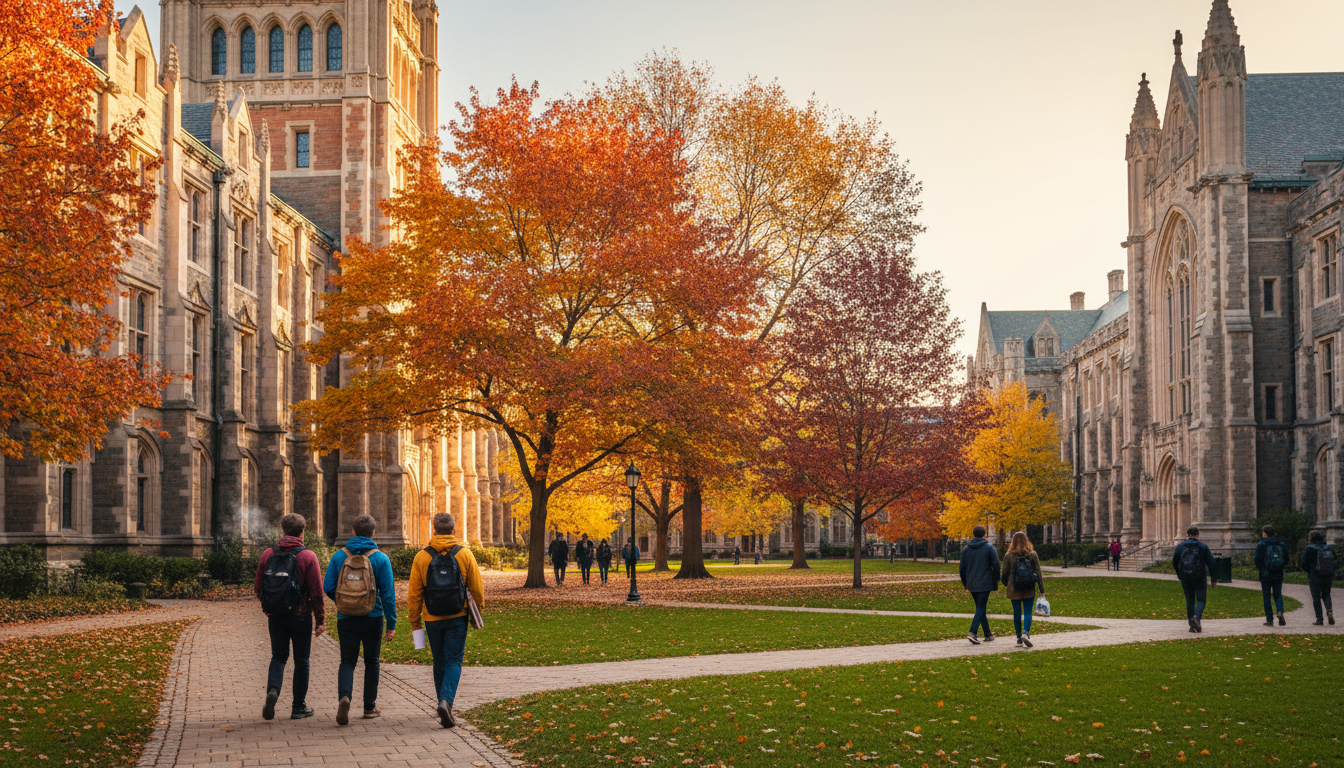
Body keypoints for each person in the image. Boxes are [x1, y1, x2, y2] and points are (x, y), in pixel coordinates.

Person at [407, 512, 485, 728]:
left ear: (433, 529)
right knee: (454, 660)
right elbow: (477, 589)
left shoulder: (421, 557)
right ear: (454, 530)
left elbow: (414, 594)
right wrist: (477, 613)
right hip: (457, 616)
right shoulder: (465, 554)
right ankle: (446, 701)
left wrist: (415, 622)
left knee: (439, 660)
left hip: (432, 618)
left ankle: (442, 701)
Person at [323, 514, 397, 725]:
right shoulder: (381, 558)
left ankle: (345, 697)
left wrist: (344, 602)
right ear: (373, 533)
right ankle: (369, 707)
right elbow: (388, 595)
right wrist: (391, 623)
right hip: (373, 616)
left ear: (353, 532)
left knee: (347, 661)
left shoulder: (339, 556)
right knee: (372, 662)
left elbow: (328, 586)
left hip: (346, 617)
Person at [254, 513, 325, 721]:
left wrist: (267, 607)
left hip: (275, 615)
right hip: (301, 616)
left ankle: (273, 690)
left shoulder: (268, 554)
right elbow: (316, 592)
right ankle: (298, 706)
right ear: (303, 532)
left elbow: (258, 587)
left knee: (278, 656)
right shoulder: (308, 556)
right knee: (302, 660)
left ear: (282, 530)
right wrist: (320, 620)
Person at [1000, 531, 1044, 648]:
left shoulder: (1009, 556)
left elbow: (1004, 573)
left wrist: (1006, 584)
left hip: (1014, 587)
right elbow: (1038, 572)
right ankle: (1026, 632)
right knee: (1028, 611)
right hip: (1029, 586)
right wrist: (1041, 588)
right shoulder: (1032, 554)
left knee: (1017, 612)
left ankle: (1019, 637)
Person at [958, 525, 1000, 644]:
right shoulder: (989, 548)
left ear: (973, 534)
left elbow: (962, 568)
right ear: (984, 534)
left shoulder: (966, 549)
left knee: (980, 608)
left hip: (972, 583)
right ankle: (973, 632)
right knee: (981, 608)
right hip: (985, 582)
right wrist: (995, 580)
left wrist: (965, 583)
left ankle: (988, 634)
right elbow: (996, 565)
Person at [1172, 525, 1217, 633]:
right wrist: (1214, 578)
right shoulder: (1203, 547)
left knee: (1190, 600)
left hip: (1186, 578)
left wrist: (1179, 574)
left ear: (1188, 534)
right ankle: (1196, 618)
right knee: (1201, 600)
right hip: (1200, 577)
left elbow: (1175, 561)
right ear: (1198, 535)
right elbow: (1211, 563)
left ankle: (1192, 625)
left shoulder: (1180, 547)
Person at [1253, 524, 1288, 627]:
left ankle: (1270, 620)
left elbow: (1257, 559)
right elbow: (1286, 558)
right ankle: (1280, 611)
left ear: (1264, 534)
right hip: (1278, 573)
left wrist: (1261, 569)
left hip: (1266, 574)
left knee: (1267, 597)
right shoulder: (1281, 544)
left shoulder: (1262, 544)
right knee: (1278, 594)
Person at [1300, 529, 1336, 626]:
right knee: (1326, 595)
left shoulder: (1309, 548)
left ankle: (1319, 619)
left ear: (1310, 538)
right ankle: (1329, 611)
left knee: (1316, 597)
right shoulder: (1329, 548)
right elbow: (1334, 560)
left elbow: (1303, 563)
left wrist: (1310, 571)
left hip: (1314, 575)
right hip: (1327, 574)